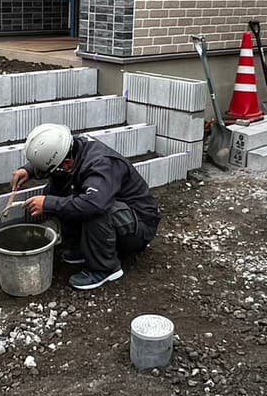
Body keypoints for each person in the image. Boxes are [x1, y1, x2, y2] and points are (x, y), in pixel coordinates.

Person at [10, 123, 160, 290]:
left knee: (93, 207)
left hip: (138, 226)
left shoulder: (102, 164)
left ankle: (105, 269)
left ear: (67, 163)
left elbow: (95, 204)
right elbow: (55, 159)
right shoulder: (72, 149)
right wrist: (28, 170)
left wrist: (48, 203)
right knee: (61, 191)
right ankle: (83, 249)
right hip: (119, 214)